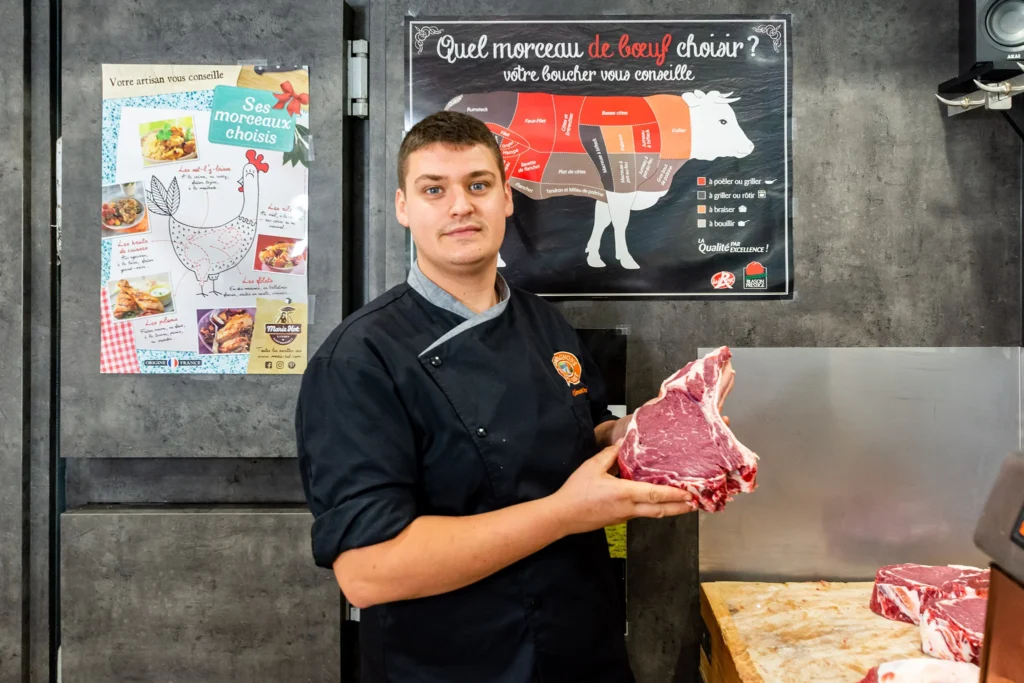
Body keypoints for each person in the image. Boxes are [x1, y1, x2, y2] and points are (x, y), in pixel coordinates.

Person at [296, 111, 705, 683]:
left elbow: (557, 446)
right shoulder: (360, 359)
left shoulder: (547, 327)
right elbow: (370, 571)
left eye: (478, 185)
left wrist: (633, 432)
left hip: (583, 648)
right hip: (454, 662)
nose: (460, 205)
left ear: (506, 199)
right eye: (434, 189)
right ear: (403, 207)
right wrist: (565, 514)